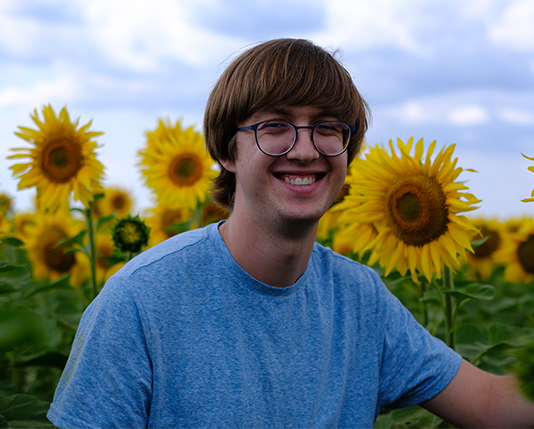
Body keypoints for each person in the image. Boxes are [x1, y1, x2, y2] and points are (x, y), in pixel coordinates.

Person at [47, 38, 534, 428]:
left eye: (327, 127)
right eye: (275, 125)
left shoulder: (359, 299)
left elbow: (491, 404)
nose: (304, 150)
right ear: (227, 153)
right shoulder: (140, 302)